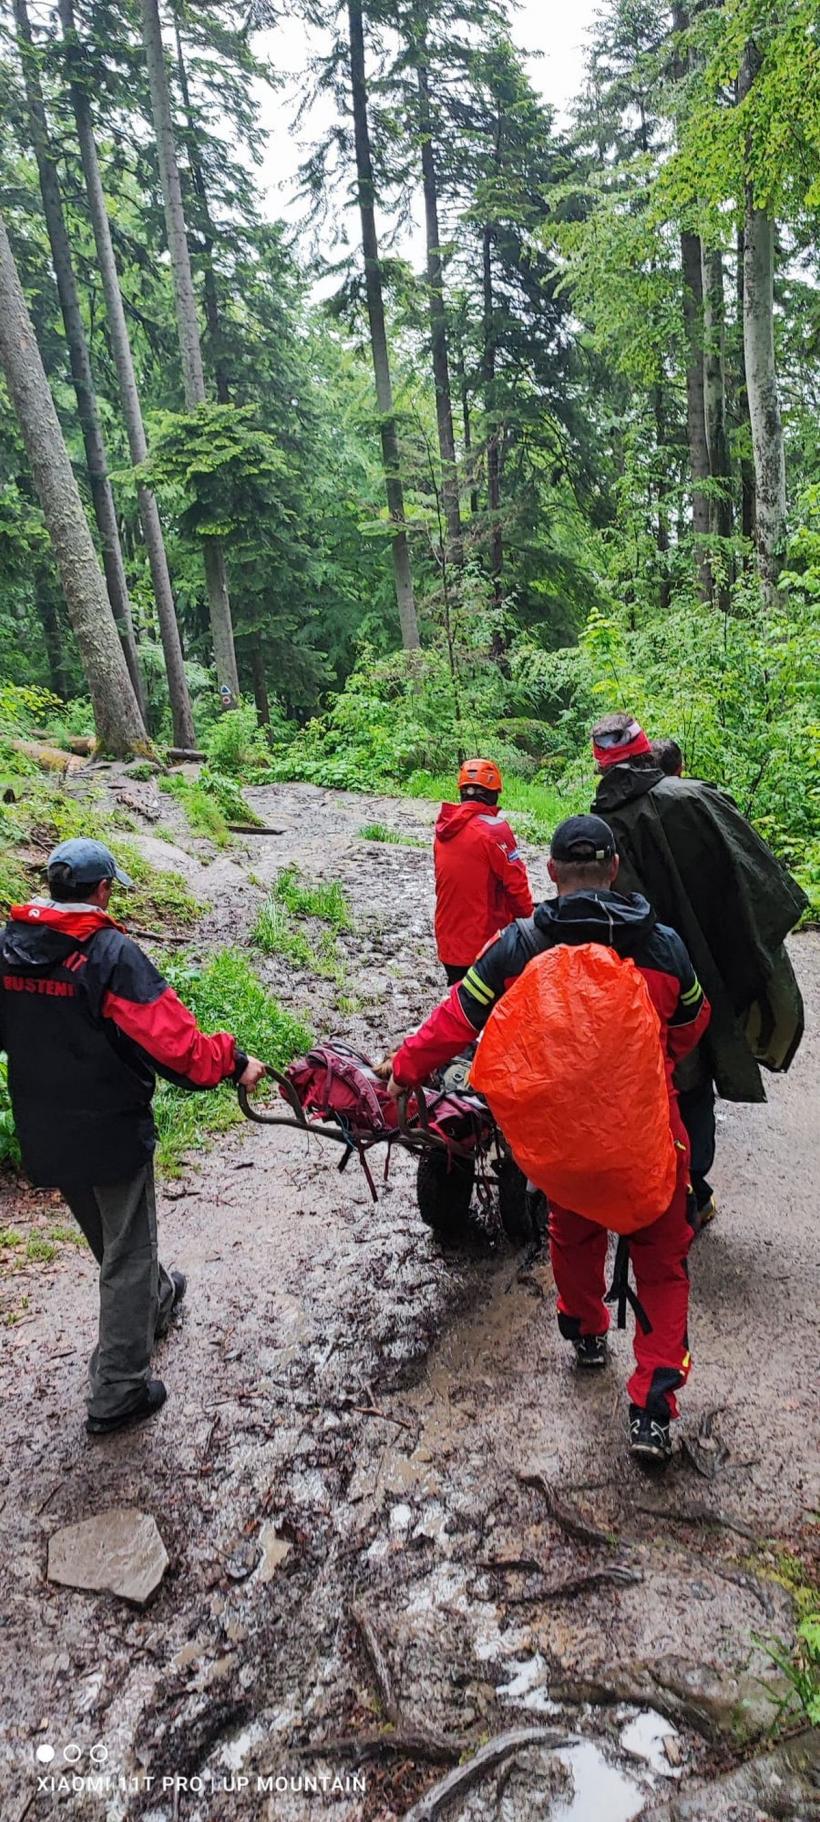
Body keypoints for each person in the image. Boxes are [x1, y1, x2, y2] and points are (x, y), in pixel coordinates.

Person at [384, 815, 711, 1465]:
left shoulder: (518, 945)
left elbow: (458, 1017)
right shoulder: (664, 947)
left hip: (565, 1140)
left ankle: (587, 1332)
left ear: (552, 871)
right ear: (614, 869)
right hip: (647, 1137)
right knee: (662, 1261)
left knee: (573, 1227)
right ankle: (651, 1408)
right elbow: (692, 1023)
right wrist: (650, 1067)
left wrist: (404, 1069)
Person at [0, 838, 267, 1436]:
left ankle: (156, 1301)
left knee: (111, 1236)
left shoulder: (9, 948)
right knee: (127, 1249)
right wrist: (233, 1061)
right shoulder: (109, 955)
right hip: (109, 1125)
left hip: (43, 1125)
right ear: (102, 891)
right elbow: (177, 1046)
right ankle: (118, 1390)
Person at [590, 714, 807, 1224]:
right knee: (696, 1074)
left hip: (641, 984)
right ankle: (692, 1191)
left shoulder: (598, 828)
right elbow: (758, 878)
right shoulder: (698, 798)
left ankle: (646, 1189)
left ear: (600, 767)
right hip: (706, 966)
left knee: (652, 1077)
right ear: (646, 752)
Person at [433, 757, 533, 985]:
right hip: (485, 948)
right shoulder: (495, 831)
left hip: (449, 945)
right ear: (493, 794)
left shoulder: (444, 830)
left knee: (461, 1001)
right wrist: (531, 925)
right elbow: (517, 888)